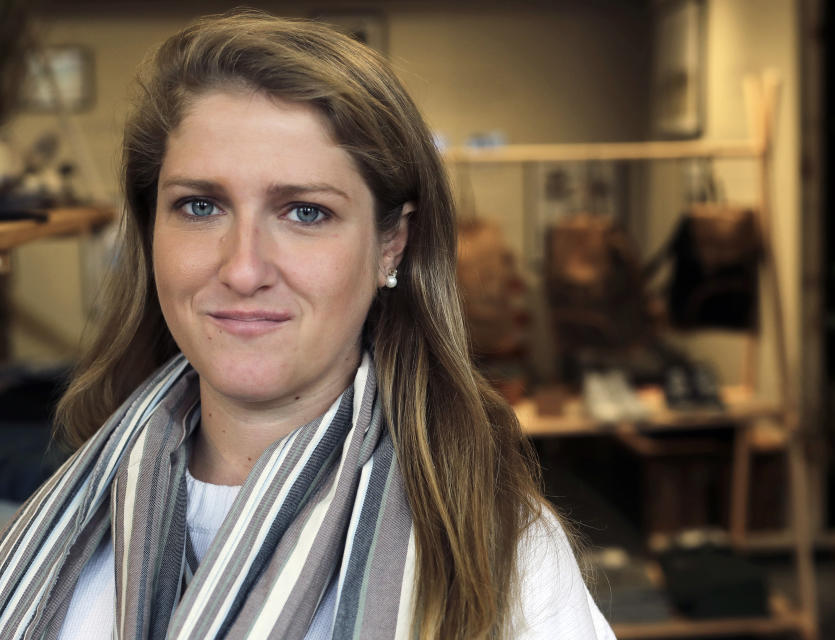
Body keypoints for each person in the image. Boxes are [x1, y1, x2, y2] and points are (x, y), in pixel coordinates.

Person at [0, 10, 615, 640]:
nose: (242, 269)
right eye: (200, 206)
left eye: (305, 212)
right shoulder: (61, 523)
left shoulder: (500, 554)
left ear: (391, 245)